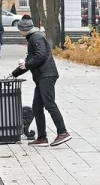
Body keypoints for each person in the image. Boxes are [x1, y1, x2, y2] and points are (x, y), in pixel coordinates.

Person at [12, 16, 70, 146]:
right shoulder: (33, 38)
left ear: (24, 29)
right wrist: (14, 73)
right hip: (41, 76)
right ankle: (42, 137)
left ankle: (62, 132)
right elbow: (30, 61)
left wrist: (26, 65)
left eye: (19, 29)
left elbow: (41, 56)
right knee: (37, 107)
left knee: (49, 104)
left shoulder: (36, 37)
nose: (19, 32)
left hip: (46, 75)